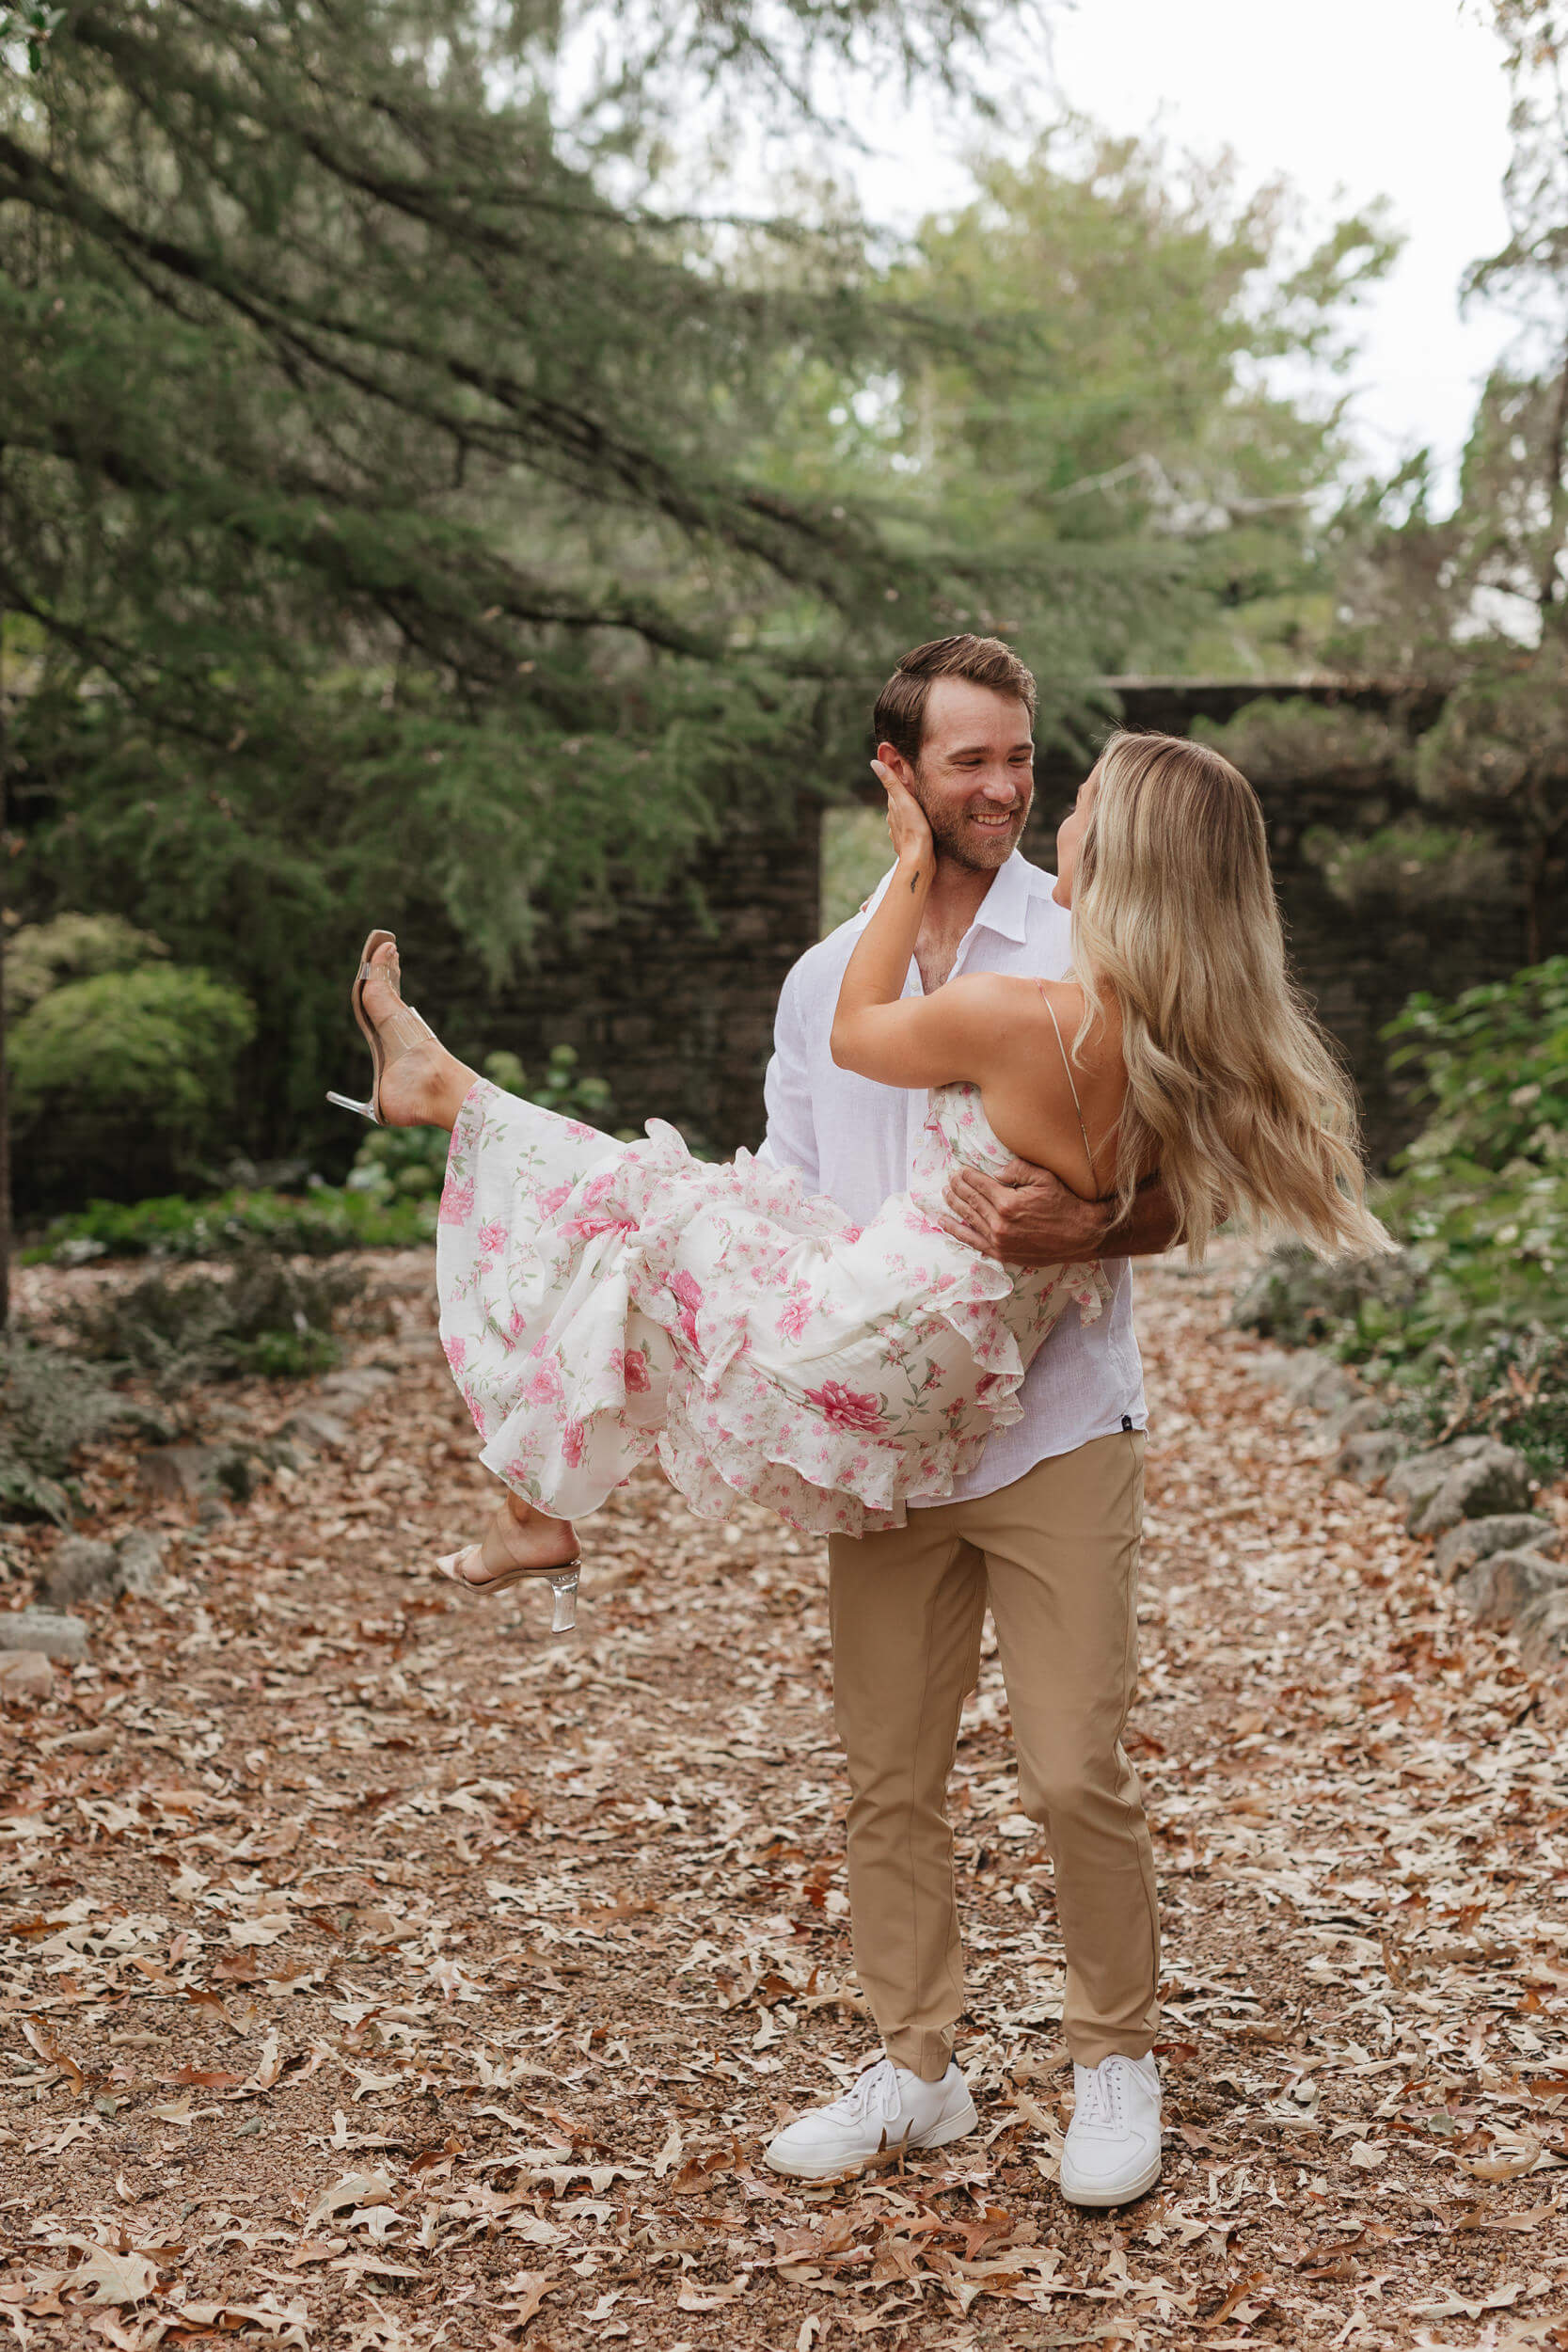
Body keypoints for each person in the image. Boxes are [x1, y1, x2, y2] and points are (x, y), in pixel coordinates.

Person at [328, 633, 1387, 2202]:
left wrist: (1081, 1233)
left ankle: (1115, 2060)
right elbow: (802, 1193)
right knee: (887, 1773)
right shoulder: (830, 974)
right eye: (974, 762)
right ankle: (916, 2069)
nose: (1010, 790)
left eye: (1028, 762)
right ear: (900, 774)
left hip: (1054, 1426)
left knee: (1072, 1768)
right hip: (881, 1420)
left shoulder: (1098, 939)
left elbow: (1184, 1201)